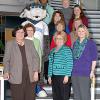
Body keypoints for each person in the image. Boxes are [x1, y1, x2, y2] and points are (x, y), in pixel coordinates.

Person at [3, 26, 40, 100]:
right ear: (15, 33)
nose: (20, 34)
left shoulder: (30, 43)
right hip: (16, 77)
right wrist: (6, 72)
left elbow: (36, 57)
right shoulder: (10, 44)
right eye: (18, 32)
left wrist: (36, 71)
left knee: (30, 98)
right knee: (18, 97)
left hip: (30, 76)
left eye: (22, 32)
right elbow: (6, 59)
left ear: (24, 33)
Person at [72, 24, 98, 100]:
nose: (81, 32)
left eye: (82, 31)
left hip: (85, 72)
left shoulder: (91, 43)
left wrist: (92, 71)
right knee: (76, 95)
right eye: (79, 31)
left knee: (85, 96)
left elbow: (94, 59)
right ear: (77, 32)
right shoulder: (75, 43)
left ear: (86, 32)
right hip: (74, 72)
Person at [48, 31, 73, 100]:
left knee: (64, 96)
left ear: (64, 39)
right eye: (57, 38)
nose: (59, 40)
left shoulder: (67, 49)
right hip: (54, 76)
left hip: (63, 76)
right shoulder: (52, 50)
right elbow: (50, 64)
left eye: (61, 38)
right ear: (55, 40)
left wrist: (67, 75)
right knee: (56, 96)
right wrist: (49, 76)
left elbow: (69, 62)